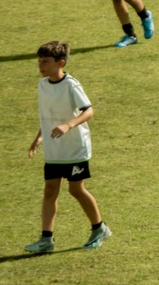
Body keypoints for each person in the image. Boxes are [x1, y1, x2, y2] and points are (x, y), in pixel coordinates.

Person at [25, 41, 109, 254]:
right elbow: (47, 115)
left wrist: (68, 125)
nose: (41, 66)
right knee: (50, 191)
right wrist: (39, 137)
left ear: (60, 62)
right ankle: (46, 239)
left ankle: (99, 228)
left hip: (74, 149)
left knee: (76, 190)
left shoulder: (71, 85)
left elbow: (88, 111)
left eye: (45, 62)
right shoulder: (43, 85)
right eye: (39, 61)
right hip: (55, 150)